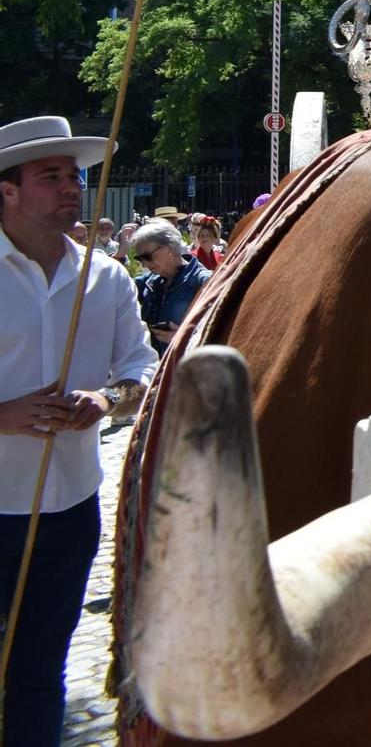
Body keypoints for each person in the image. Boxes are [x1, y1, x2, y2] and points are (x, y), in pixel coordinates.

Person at [0, 117, 156, 746]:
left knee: (40, 673)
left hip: (69, 509)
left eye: (76, 176)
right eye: (51, 176)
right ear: (7, 191)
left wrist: (106, 399)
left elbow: (143, 368)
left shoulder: (107, 276)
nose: (72, 188)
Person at [132, 218, 213, 352]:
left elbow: (223, 332)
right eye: (139, 259)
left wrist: (186, 340)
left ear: (169, 248)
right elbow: (117, 287)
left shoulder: (203, 281)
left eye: (147, 256)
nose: (143, 264)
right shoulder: (149, 281)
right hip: (153, 368)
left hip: (185, 369)